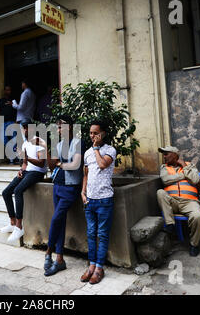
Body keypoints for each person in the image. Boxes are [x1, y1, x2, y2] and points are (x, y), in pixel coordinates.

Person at [44, 115, 84, 276]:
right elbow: (52, 165)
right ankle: (59, 259)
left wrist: (60, 163)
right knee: (60, 221)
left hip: (70, 187)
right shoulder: (59, 144)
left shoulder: (78, 143)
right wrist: (45, 149)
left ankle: (48, 252)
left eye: (62, 126)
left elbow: (75, 165)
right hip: (57, 185)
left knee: (56, 218)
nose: (59, 129)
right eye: (58, 127)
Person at [80, 121, 116, 285]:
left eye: (95, 133)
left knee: (102, 235)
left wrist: (96, 149)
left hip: (104, 200)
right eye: (90, 133)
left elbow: (102, 165)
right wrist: (83, 191)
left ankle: (99, 268)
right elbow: (86, 175)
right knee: (90, 234)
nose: (92, 136)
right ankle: (92, 265)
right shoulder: (87, 153)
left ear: (103, 134)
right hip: (90, 200)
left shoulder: (110, 150)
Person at [1, 118, 47, 242]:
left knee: (18, 190)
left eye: (27, 128)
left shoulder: (40, 142)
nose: (25, 130)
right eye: (23, 128)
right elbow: (25, 163)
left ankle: (19, 227)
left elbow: (41, 163)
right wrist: (21, 169)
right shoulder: (25, 143)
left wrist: (26, 157)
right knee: (6, 192)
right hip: (27, 171)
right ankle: (12, 221)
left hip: (37, 172)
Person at [156, 146, 200, 257]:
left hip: (190, 202)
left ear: (175, 155)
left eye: (166, 154)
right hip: (172, 201)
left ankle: (194, 245)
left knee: (197, 216)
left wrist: (184, 166)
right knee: (160, 192)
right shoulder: (164, 167)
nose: (164, 157)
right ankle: (170, 224)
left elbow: (195, 179)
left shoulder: (189, 165)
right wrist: (183, 175)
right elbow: (165, 180)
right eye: (163, 154)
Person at [0, 86, 18, 164]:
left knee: (14, 140)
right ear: (4, 91)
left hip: (12, 122)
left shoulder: (13, 100)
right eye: (7, 90)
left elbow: (18, 110)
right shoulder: (0, 101)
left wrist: (17, 122)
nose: (8, 91)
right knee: (4, 141)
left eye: (9, 90)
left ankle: (15, 158)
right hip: (3, 123)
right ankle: (12, 157)